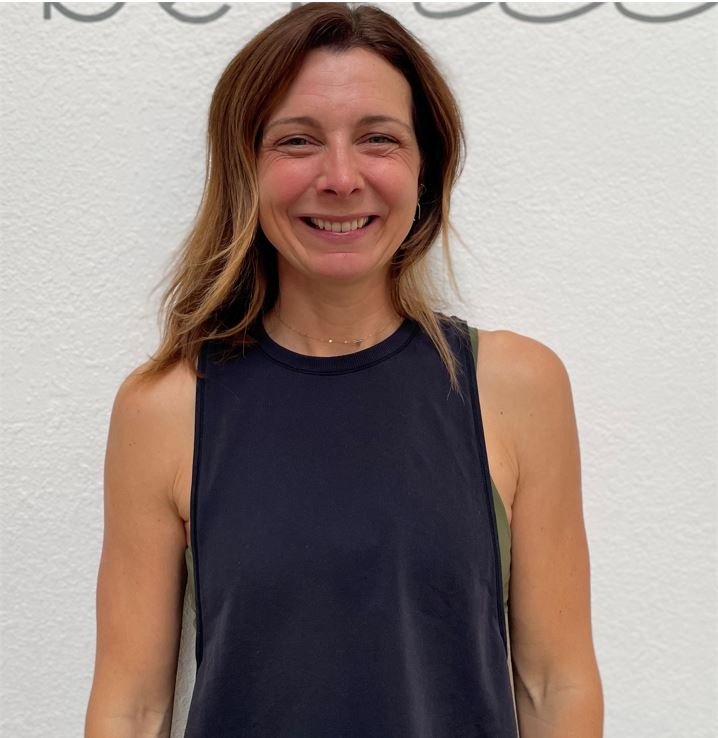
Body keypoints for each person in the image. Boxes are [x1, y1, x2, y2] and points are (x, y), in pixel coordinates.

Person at [84, 3, 603, 737]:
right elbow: (131, 709)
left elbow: (556, 686)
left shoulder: (515, 387)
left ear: (425, 168)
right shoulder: (166, 406)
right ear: (245, 168)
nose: (339, 176)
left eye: (378, 139)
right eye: (297, 140)